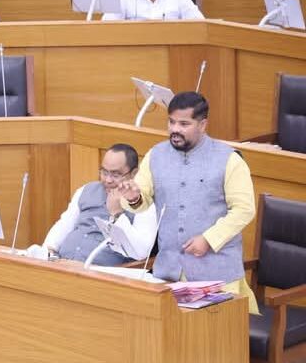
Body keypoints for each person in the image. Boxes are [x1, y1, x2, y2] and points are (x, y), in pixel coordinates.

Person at [118, 91, 258, 313]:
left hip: (217, 277)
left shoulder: (229, 159)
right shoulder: (156, 155)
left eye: (184, 124)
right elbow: (141, 198)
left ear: (202, 125)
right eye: (171, 122)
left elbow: (244, 210)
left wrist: (209, 239)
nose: (175, 129)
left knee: (215, 335)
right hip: (168, 275)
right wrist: (133, 197)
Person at [42, 144, 157, 266]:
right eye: (104, 172)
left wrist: (117, 215)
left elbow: (141, 252)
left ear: (134, 173)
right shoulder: (86, 190)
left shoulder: (143, 203)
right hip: (60, 264)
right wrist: (50, 256)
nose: (108, 180)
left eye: (116, 175)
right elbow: (63, 226)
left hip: (100, 272)